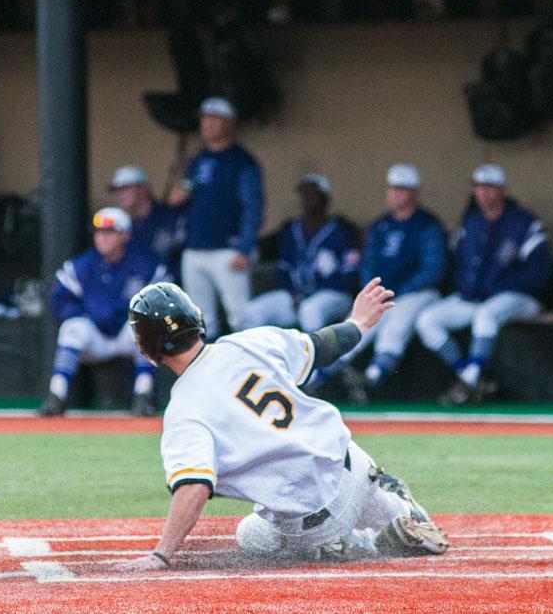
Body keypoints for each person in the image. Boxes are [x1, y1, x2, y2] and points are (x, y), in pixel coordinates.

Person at [115, 279, 449, 572]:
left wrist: (161, 554)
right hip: (355, 463)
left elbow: (194, 486)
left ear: (148, 347)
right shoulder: (249, 342)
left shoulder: (184, 409)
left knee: (252, 534)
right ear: (195, 318)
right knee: (374, 499)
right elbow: (323, 346)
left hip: (318, 517)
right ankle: (399, 509)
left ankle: (366, 544)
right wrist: (359, 321)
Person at [415, 164, 552, 406]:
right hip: (476, 297)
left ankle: (468, 381)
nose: (484, 193)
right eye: (479, 187)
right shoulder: (471, 223)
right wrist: (467, 288)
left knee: (485, 314)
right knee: (427, 320)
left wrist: (502, 285)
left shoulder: (523, 223)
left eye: (490, 188)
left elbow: (539, 273)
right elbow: (456, 265)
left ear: (502, 190)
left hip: (518, 298)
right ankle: (470, 375)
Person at [308, 164, 446, 400]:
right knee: (357, 325)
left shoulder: (427, 225)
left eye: (402, 189)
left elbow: (432, 270)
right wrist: (373, 289)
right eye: (393, 188)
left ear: (414, 192)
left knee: (395, 325)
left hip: (419, 293)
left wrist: (400, 290)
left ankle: (373, 378)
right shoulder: (381, 225)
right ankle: (316, 379)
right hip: (386, 294)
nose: (396, 194)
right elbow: (368, 264)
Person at [40, 207, 169, 417]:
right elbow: (60, 301)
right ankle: (56, 396)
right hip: (94, 337)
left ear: (125, 235)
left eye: (109, 232)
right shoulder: (80, 265)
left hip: (128, 335)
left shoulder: (146, 264)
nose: (102, 237)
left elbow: (164, 301)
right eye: (99, 232)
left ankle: (143, 396)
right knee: (72, 328)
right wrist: (82, 314)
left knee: (146, 328)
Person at [168, 97, 264, 340]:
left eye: (214, 118)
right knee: (200, 319)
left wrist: (245, 247)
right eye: (204, 118)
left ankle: (250, 371)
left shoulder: (242, 161)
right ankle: (211, 374)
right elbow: (188, 190)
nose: (206, 124)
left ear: (229, 123)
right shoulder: (198, 159)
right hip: (195, 246)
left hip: (228, 250)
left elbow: (253, 206)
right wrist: (180, 195)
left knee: (241, 317)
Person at [242, 174, 359, 332]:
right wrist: (294, 294)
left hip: (334, 295)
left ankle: (317, 356)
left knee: (310, 311)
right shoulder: (290, 229)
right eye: (304, 194)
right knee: (252, 311)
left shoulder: (342, 230)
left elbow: (349, 276)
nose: (306, 199)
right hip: (296, 296)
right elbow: (283, 270)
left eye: (312, 194)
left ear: (325, 198)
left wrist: (309, 294)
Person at [109, 164, 186, 279]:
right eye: (118, 191)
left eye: (125, 189)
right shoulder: (124, 227)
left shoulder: (170, 216)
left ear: (143, 189)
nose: (121, 195)